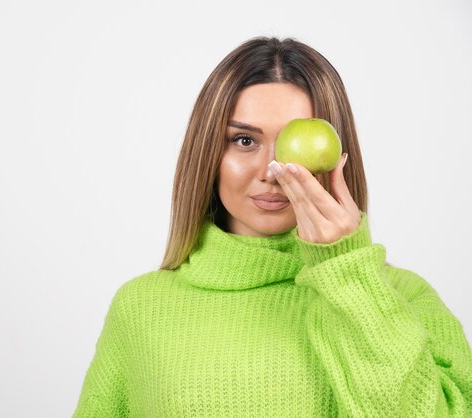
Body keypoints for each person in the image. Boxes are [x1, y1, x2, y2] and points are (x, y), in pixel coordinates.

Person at [72, 36, 472, 417]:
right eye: (244, 140)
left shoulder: (405, 298)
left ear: (337, 155)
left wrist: (349, 274)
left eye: (295, 141)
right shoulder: (142, 306)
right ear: (208, 152)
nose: (272, 171)